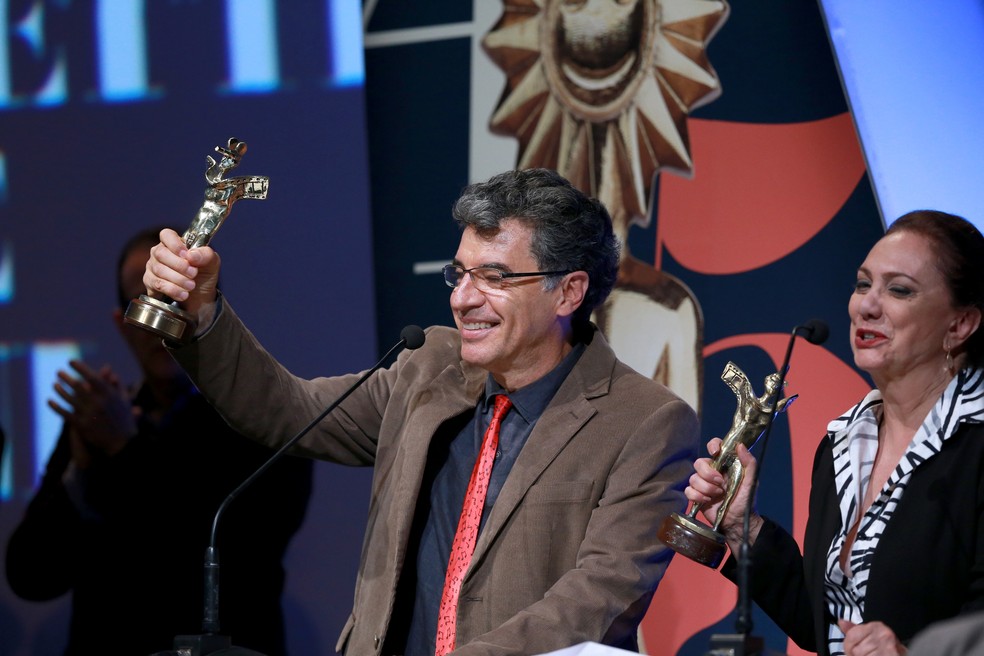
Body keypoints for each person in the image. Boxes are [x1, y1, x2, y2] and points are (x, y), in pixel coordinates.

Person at [142, 168, 699, 655]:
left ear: (569, 292)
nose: (463, 298)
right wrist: (202, 314)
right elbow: (286, 410)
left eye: (495, 277)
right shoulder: (430, 366)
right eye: (460, 273)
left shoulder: (644, 423)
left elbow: (597, 599)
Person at [684, 209, 984, 655]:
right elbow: (825, 626)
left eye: (899, 290)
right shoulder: (844, 442)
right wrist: (741, 524)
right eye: (863, 284)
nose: (866, 305)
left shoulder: (975, 447)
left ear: (960, 324)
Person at [5, 226, 312, 656]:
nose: (166, 315)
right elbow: (31, 576)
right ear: (123, 322)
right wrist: (83, 475)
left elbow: (232, 555)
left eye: (178, 296)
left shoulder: (262, 416)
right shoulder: (104, 417)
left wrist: (126, 451)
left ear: (212, 306)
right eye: (148, 298)